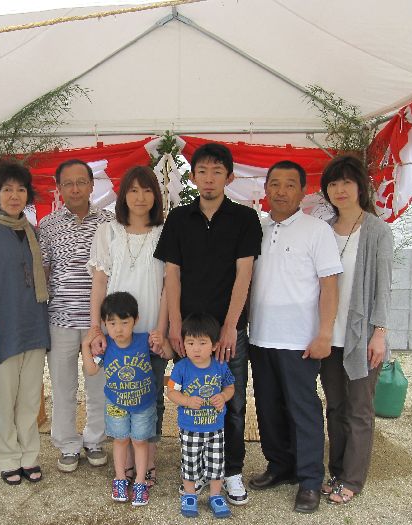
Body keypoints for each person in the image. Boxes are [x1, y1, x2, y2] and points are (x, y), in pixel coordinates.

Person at [154, 142, 262, 505]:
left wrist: (230, 327)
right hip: (188, 334)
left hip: (229, 331)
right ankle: (196, 471)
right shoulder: (178, 219)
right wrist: (174, 325)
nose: (209, 178)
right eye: (202, 171)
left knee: (231, 400)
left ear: (229, 177)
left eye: (217, 172)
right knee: (191, 399)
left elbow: (244, 275)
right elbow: (172, 274)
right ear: (193, 176)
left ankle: (231, 471)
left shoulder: (245, 219)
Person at [248, 160, 343, 514]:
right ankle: (279, 465)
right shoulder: (257, 229)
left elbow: (329, 285)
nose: (281, 191)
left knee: (303, 409)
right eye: (275, 184)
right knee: (268, 407)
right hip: (260, 336)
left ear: (303, 191)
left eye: (290, 184)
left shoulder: (317, 230)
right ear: (266, 189)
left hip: (300, 340)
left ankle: (310, 480)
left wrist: (324, 333)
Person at [0, 160, 50, 485]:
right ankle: (6, 457)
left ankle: (29, 455)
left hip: (35, 326)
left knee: (30, 398)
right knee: (4, 398)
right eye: (7, 189)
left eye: (20, 189)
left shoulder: (33, 232)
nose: (14, 196)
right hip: (3, 328)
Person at [318, 154, 393, 504]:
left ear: (360, 186)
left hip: (362, 335)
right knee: (335, 406)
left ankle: (352, 479)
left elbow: (384, 286)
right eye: (333, 183)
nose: (340, 189)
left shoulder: (377, 230)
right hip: (328, 335)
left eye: (347, 182)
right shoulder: (324, 229)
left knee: (359, 408)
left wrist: (380, 332)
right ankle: (336, 471)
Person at [88, 165, 169, 487]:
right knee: (120, 395)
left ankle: (148, 463)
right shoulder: (108, 232)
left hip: (150, 333)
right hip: (117, 335)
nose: (140, 197)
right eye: (133, 190)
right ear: (123, 195)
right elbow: (99, 283)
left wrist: (161, 330)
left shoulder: (165, 232)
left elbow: (168, 287)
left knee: (152, 398)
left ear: (156, 196)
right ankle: (126, 465)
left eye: (147, 190)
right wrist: (96, 329)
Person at [38, 159, 114, 472]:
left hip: (99, 323)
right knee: (63, 387)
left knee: (98, 387)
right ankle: (68, 444)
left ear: (92, 185)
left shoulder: (109, 221)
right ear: (59, 188)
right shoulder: (48, 225)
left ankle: (95, 440)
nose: (75, 189)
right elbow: (43, 271)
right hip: (61, 319)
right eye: (68, 183)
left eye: (81, 182)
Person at [81, 292, 171, 506]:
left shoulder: (144, 340)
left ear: (135, 320)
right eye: (112, 323)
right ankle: (120, 478)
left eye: (124, 322)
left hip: (144, 405)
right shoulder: (106, 346)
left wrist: (163, 342)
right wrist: (86, 345)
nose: (118, 329)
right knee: (120, 440)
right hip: (116, 404)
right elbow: (91, 370)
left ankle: (140, 481)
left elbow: (167, 354)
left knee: (140, 441)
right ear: (104, 324)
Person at [167, 313, 236, 519]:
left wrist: (223, 396)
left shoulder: (220, 366)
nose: (196, 349)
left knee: (216, 464)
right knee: (190, 463)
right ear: (184, 345)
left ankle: (215, 496)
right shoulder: (181, 367)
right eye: (190, 343)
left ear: (214, 345)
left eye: (202, 343)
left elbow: (230, 387)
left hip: (215, 428)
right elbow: (171, 392)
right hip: (190, 428)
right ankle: (190, 495)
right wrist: (187, 401)